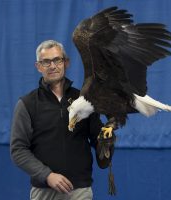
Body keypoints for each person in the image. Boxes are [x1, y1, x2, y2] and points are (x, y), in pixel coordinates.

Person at [10, 40, 111, 200]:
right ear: (38, 66)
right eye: (46, 61)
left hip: (79, 190)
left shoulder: (84, 100)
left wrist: (107, 137)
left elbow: (98, 143)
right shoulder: (27, 104)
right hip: (44, 191)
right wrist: (47, 175)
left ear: (66, 62)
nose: (52, 66)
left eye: (57, 60)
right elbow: (18, 150)